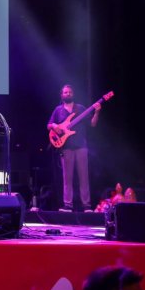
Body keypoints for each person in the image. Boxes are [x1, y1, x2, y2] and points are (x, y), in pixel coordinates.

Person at [47, 84, 100, 212]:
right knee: (67, 178)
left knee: (84, 177)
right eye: (65, 92)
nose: (68, 94)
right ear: (62, 95)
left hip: (81, 146)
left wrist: (97, 111)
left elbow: (92, 124)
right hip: (66, 147)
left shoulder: (80, 108)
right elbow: (49, 125)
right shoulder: (58, 110)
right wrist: (54, 126)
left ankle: (86, 205)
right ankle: (68, 205)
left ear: (73, 94)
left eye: (70, 92)